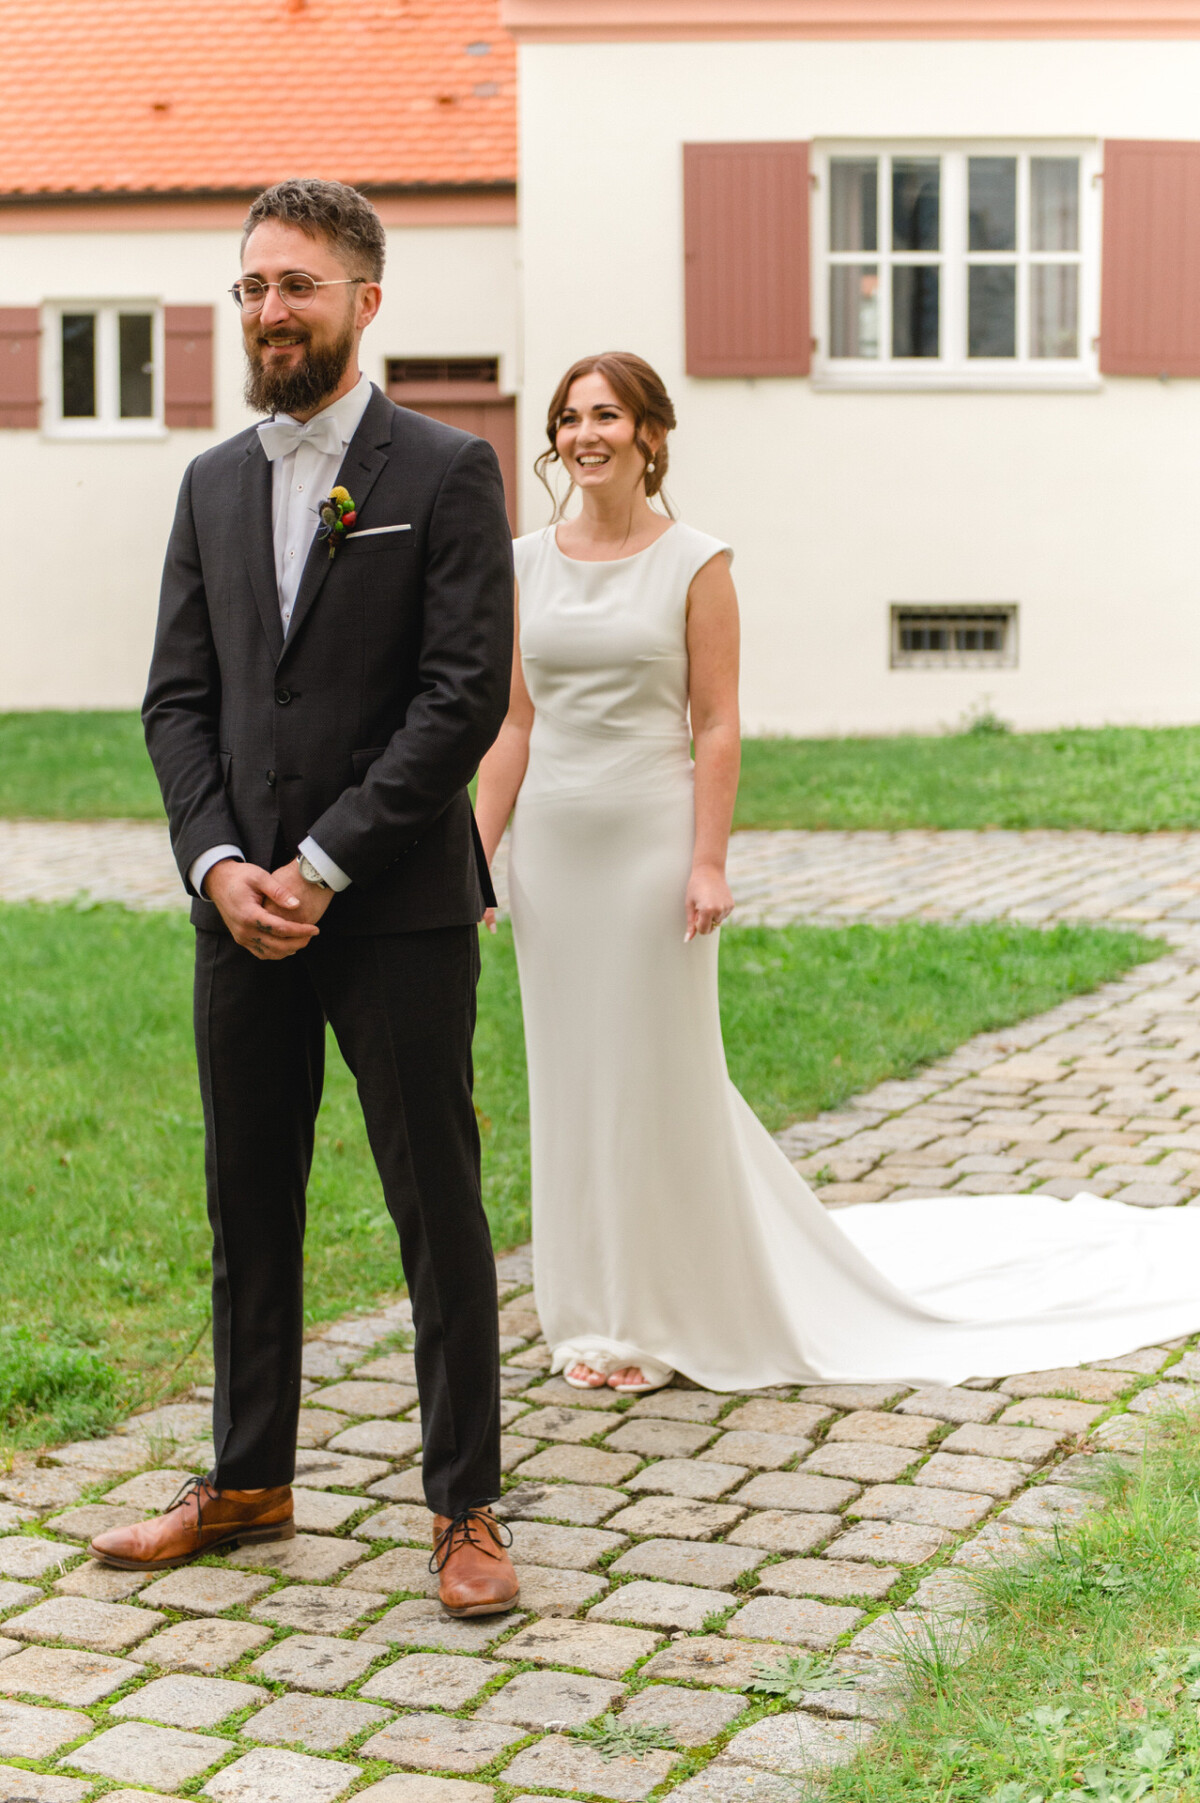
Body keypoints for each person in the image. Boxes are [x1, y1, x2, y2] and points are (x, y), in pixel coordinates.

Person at [475, 350, 1200, 1395]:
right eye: (569, 417)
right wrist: (478, 859)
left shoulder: (696, 562)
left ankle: (668, 1310)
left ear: (649, 436)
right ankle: (591, 1309)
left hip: (648, 843)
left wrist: (708, 860)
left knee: (656, 1075)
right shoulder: (521, 563)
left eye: (606, 415)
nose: (584, 434)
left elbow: (716, 723)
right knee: (573, 1077)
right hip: (553, 856)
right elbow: (514, 721)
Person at [90, 179, 519, 1617]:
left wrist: (321, 861)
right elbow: (178, 699)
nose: (271, 310)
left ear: (366, 302)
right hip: (239, 915)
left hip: (387, 905)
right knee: (245, 1196)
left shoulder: (447, 471)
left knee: (433, 1202)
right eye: (254, 284)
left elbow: (459, 702)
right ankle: (251, 1475)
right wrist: (220, 866)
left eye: (300, 286)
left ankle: (466, 1503)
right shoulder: (211, 482)